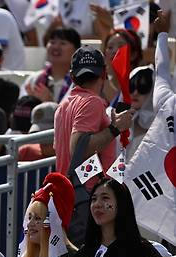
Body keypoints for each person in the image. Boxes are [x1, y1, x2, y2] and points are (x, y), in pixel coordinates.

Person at [53, 46, 133, 190]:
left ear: (72, 76)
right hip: (89, 196)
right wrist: (115, 129)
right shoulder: (92, 102)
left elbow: (67, 154)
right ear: (104, 74)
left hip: (71, 193)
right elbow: (78, 149)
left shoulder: (63, 106)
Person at [61, 178, 163, 257]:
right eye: (94, 199)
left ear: (121, 203)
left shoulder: (140, 249)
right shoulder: (87, 250)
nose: (97, 204)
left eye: (105, 198)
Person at [18, 173, 77, 257]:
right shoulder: (28, 256)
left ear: (54, 223)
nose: (29, 224)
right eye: (29, 217)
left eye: (37, 218)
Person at [22, 27, 81, 104]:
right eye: (52, 42)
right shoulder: (34, 79)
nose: (56, 47)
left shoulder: (80, 82)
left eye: (63, 43)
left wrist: (50, 103)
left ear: (76, 50)